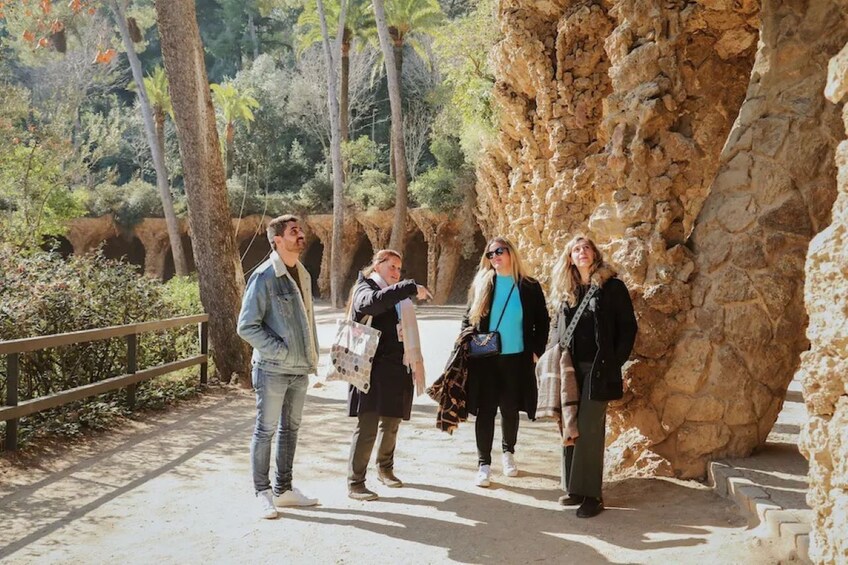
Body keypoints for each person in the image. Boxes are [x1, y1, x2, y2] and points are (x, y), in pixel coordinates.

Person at [237, 214, 320, 520]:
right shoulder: (263, 277)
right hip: (272, 368)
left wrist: (311, 356)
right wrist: (281, 351)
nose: (301, 234)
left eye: (300, 229)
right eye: (293, 231)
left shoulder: (303, 273)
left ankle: (284, 489)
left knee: (291, 429)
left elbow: (308, 321)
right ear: (277, 240)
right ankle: (263, 492)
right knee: (265, 429)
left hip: (300, 368)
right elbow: (246, 327)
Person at [548, 235, 637, 518]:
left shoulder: (612, 288)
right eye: (576, 249)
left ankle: (592, 495)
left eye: (586, 247)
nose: (581, 252)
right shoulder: (567, 292)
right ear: (570, 259)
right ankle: (574, 488)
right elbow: (557, 329)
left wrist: (614, 362)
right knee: (569, 422)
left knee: (588, 426)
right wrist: (550, 356)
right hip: (569, 369)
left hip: (598, 369)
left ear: (595, 254)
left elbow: (628, 329)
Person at [462, 237, 549, 487]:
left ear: (511, 253)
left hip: (517, 358)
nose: (495, 257)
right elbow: (467, 319)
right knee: (486, 410)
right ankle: (483, 464)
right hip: (486, 359)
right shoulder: (482, 283)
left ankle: (508, 453)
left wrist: (537, 351)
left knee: (510, 409)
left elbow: (542, 320)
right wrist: (465, 346)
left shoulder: (529, 285)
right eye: (490, 254)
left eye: (499, 251)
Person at [347, 249, 432, 501]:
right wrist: (409, 286)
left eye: (399, 268)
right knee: (368, 427)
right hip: (370, 370)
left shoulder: (399, 296)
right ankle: (355, 482)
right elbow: (372, 303)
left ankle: (385, 469)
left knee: (392, 423)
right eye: (391, 266)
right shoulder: (365, 287)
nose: (396, 272)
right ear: (377, 265)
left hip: (397, 367)